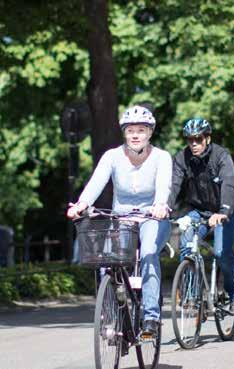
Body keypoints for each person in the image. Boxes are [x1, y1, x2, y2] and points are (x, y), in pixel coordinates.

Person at [66, 105, 172, 338]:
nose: (135, 135)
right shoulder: (112, 157)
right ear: (124, 132)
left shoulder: (162, 157)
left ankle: (151, 318)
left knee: (149, 254)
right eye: (130, 130)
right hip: (121, 217)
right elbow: (96, 183)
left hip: (151, 217)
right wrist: (82, 204)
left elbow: (164, 185)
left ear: (150, 133)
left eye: (141, 130)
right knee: (106, 261)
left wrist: (161, 205)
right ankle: (111, 314)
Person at [167, 118, 234, 314]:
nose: (193, 144)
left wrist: (224, 211)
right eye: (189, 140)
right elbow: (174, 185)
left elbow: (230, 184)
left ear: (207, 139)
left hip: (223, 212)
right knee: (186, 244)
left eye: (198, 139)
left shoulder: (221, 156)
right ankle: (191, 296)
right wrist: (165, 207)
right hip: (199, 211)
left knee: (221, 253)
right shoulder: (182, 158)